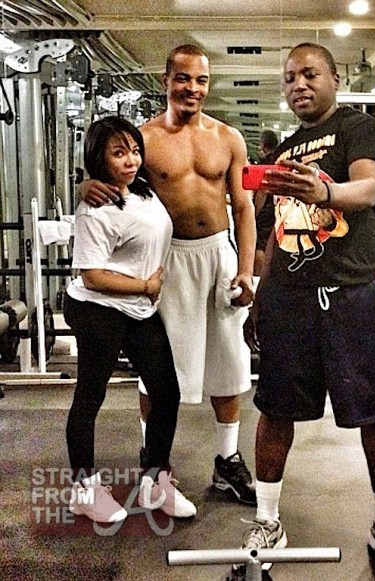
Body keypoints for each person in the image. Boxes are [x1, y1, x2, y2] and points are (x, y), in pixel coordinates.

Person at [234, 43, 375, 577]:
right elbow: (276, 231)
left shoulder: (359, 128)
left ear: (335, 78)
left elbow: (369, 188)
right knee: (275, 410)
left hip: (350, 295)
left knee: (374, 413)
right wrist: (260, 296)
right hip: (289, 299)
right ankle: (268, 521)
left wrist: (324, 191)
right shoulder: (287, 150)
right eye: (290, 77)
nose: (299, 85)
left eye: (310, 74)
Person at [80, 45, 257, 506]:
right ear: (166, 80)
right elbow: (109, 174)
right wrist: (85, 184)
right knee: (158, 370)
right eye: (183, 78)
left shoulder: (228, 138)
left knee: (229, 362)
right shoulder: (142, 140)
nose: (192, 88)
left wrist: (246, 270)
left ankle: (228, 460)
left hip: (218, 254)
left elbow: (243, 208)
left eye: (201, 80)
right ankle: (154, 463)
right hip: (168, 259)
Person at [65, 116, 196, 523]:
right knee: (90, 396)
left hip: (140, 308)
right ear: (98, 158)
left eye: (135, 151)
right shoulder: (94, 208)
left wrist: (147, 289)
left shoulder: (142, 190)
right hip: (98, 307)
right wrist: (145, 285)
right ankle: (84, 490)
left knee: (167, 393)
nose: (131, 160)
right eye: (118, 153)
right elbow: (92, 275)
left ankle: (156, 483)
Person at [253, 130, 279, 277]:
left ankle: (258, 278)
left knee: (260, 245)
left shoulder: (265, 164)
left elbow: (262, 191)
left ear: (264, 144)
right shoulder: (279, 159)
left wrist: (255, 214)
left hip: (266, 209)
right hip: (277, 208)